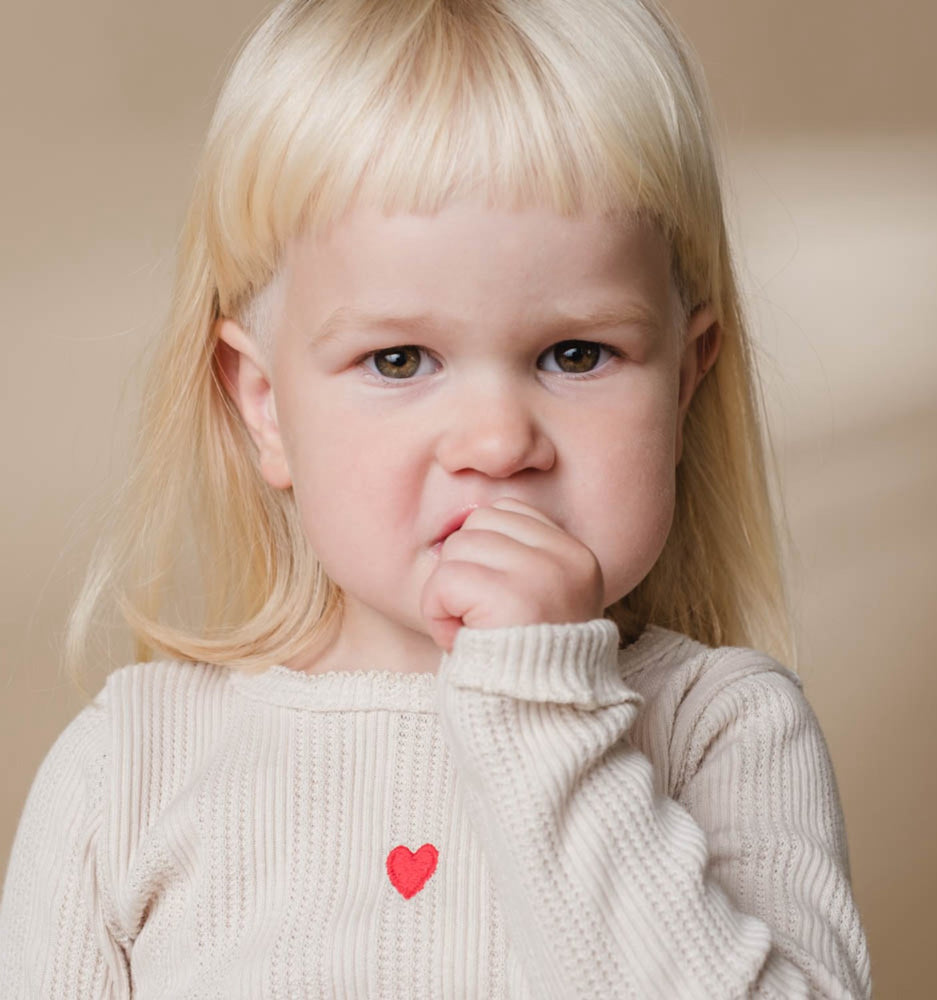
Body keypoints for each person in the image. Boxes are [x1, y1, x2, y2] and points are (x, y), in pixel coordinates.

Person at [0, 0, 872, 996]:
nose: (497, 443)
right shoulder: (129, 770)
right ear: (266, 406)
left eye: (575, 354)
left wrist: (539, 706)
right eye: (400, 359)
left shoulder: (725, 731)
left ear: (684, 382)